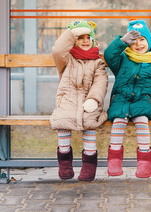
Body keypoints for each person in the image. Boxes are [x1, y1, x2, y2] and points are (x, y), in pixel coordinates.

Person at [104, 19, 151, 178]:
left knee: (142, 121)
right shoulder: (122, 60)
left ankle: (144, 162)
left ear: (149, 42)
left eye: (142, 40)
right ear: (129, 44)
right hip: (121, 102)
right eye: (134, 41)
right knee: (118, 122)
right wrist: (121, 41)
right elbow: (109, 55)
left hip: (143, 104)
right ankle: (114, 160)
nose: (138, 44)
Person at [50, 20, 108, 181]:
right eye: (79, 37)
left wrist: (94, 100)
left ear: (93, 40)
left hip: (88, 103)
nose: (84, 40)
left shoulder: (97, 62)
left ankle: (89, 163)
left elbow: (100, 82)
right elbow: (58, 50)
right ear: (73, 40)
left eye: (87, 37)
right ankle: (64, 162)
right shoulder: (67, 59)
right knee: (63, 122)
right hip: (67, 101)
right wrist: (70, 33)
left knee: (89, 123)